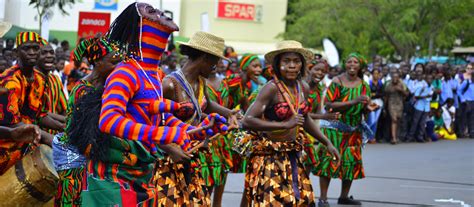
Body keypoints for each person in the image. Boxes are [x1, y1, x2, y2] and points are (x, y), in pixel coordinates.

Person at [85, 3, 202, 206]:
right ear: (139, 26)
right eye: (150, 12)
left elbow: (153, 114)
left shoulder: (154, 74)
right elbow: (108, 121)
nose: (159, 13)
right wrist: (160, 134)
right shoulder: (126, 73)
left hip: (142, 175)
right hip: (113, 181)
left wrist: (195, 130)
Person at [242, 40, 340, 206]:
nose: (292, 66)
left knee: (299, 200)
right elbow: (248, 120)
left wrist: (327, 142)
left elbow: (305, 118)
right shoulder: (271, 88)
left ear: (302, 65)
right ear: (278, 64)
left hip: (292, 153)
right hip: (270, 156)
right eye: (286, 61)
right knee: (271, 202)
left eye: (296, 61)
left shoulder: (303, 87)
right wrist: (284, 125)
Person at [158, 31, 238, 207]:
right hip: (169, 161)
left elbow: (206, 105)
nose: (215, 67)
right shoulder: (169, 85)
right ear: (204, 58)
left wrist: (229, 113)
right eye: (215, 62)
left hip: (193, 156)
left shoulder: (200, 82)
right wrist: (170, 149)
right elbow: (151, 124)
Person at [53, 37, 121, 207]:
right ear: (98, 62)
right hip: (74, 162)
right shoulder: (83, 90)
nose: (118, 67)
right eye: (113, 61)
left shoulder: (107, 87)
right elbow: (83, 137)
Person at [314, 52, 379, 206]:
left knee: (350, 163)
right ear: (345, 64)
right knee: (329, 162)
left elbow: (363, 107)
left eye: (355, 62)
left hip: (353, 130)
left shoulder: (363, 85)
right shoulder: (337, 81)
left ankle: (344, 196)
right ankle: (323, 198)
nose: (352, 65)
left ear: (360, 66)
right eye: (349, 62)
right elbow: (328, 104)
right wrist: (353, 101)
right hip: (334, 129)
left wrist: (368, 108)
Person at [0, 32, 62, 174]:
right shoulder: (8, 82)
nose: (32, 52)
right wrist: (50, 139)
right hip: (5, 151)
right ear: (16, 53)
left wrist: (62, 127)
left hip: (27, 146)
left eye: (35, 48)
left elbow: (41, 115)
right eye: (26, 48)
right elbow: (13, 124)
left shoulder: (40, 79)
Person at [304, 59, 341, 174]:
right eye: (317, 69)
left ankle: (301, 190)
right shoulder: (300, 85)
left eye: (323, 71)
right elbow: (299, 113)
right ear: (310, 69)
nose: (320, 73)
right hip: (295, 128)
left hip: (310, 129)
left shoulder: (319, 88)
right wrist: (324, 117)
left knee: (309, 161)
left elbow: (318, 112)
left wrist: (330, 114)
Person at [36, 44, 67, 124]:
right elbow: (38, 113)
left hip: (54, 133)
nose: (49, 56)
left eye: (51, 52)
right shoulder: (30, 80)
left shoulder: (55, 79)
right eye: (44, 53)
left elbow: (64, 108)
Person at [405, 74, 433, 142]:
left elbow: (430, 98)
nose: (429, 80)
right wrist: (425, 96)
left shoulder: (432, 87)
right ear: (426, 79)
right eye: (428, 79)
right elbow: (416, 96)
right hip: (419, 106)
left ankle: (420, 137)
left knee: (423, 123)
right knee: (415, 122)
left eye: (431, 79)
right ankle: (410, 137)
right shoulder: (422, 86)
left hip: (426, 107)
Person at [383, 71, 409, 144]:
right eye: (393, 77)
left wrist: (401, 90)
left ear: (398, 78)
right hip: (391, 104)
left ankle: (397, 136)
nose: (395, 78)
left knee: (398, 119)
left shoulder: (402, 85)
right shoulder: (388, 86)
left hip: (399, 104)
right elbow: (386, 97)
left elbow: (407, 95)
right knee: (394, 119)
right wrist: (384, 108)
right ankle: (393, 138)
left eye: (396, 77)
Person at [457, 63, 474, 138]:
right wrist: (463, 99)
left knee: (472, 118)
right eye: (468, 68)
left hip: (473, 101)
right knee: (463, 117)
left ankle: (471, 132)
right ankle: (462, 132)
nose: (469, 70)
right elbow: (459, 91)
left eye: (471, 69)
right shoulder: (466, 81)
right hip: (466, 101)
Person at [367, 69, 384, 142]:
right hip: (371, 102)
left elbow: (382, 93)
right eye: (374, 73)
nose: (375, 75)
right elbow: (368, 93)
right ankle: (365, 135)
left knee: (376, 121)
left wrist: (375, 94)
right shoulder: (369, 82)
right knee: (372, 120)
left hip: (379, 103)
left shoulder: (381, 83)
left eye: (377, 73)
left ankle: (372, 137)